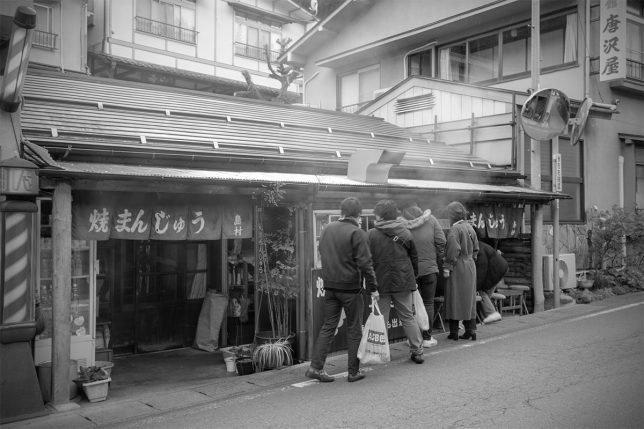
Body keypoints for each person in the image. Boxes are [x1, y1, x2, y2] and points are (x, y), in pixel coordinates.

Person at [306, 197, 379, 383]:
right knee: (354, 328)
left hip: (329, 286)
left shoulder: (327, 229)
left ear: (342, 212)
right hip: (350, 288)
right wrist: (373, 288)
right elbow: (365, 263)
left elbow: (322, 252)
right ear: (358, 214)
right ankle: (353, 372)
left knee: (328, 326)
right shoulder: (357, 232)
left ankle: (315, 367)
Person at [367, 199, 424, 364]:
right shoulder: (405, 233)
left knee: (381, 318)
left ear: (380, 216)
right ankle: (417, 351)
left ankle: (381, 353)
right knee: (407, 316)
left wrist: (370, 284)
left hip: (381, 282)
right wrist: (414, 280)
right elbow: (414, 259)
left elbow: (366, 261)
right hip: (403, 281)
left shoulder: (371, 234)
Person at [401, 203, 446, 348]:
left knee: (411, 306)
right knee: (428, 303)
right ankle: (427, 338)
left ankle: (413, 339)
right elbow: (442, 241)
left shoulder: (402, 225)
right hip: (429, 269)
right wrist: (438, 256)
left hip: (410, 272)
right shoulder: (431, 220)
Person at [442, 201, 479, 341]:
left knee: (454, 298)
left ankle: (454, 332)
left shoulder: (454, 230)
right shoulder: (470, 227)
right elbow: (476, 249)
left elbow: (453, 250)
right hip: (470, 265)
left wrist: (447, 267)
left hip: (458, 266)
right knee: (469, 299)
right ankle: (471, 330)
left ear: (451, 216)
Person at [476, 241, 509, 323]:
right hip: (500, 269)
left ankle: (491, 313)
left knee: (481, 292)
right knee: (486, 295)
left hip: (496, 271)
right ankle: (486, 317)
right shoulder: (481, 245)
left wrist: (476, 287)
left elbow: (481, 271)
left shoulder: (479, 249)